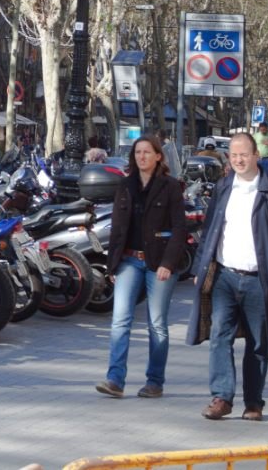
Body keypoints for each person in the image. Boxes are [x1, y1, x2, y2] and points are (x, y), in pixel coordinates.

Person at [188, 131, 268, 422]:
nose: (239, 160)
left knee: (258, 344)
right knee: (219, 335)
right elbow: (211, 230)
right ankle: (221, 398)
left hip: (260, 280)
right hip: (224, 277)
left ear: (256, 156)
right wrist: (199, 268)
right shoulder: (223, 187)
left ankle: (254, 402)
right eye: (234, 155)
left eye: (244, 154)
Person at [98, 134, 188, 400]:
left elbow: (180, 229)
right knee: (120, 320)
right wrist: (111, 265)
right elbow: (117, 229)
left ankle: (155, 381)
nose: (142, 157)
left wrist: (168, 264)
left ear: (159, 156)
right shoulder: (125, 186)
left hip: (158, 263)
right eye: (138, 153)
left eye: (147, 152)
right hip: (128, 260)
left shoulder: (170, 187)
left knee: (157, 324)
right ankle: (115, 379)